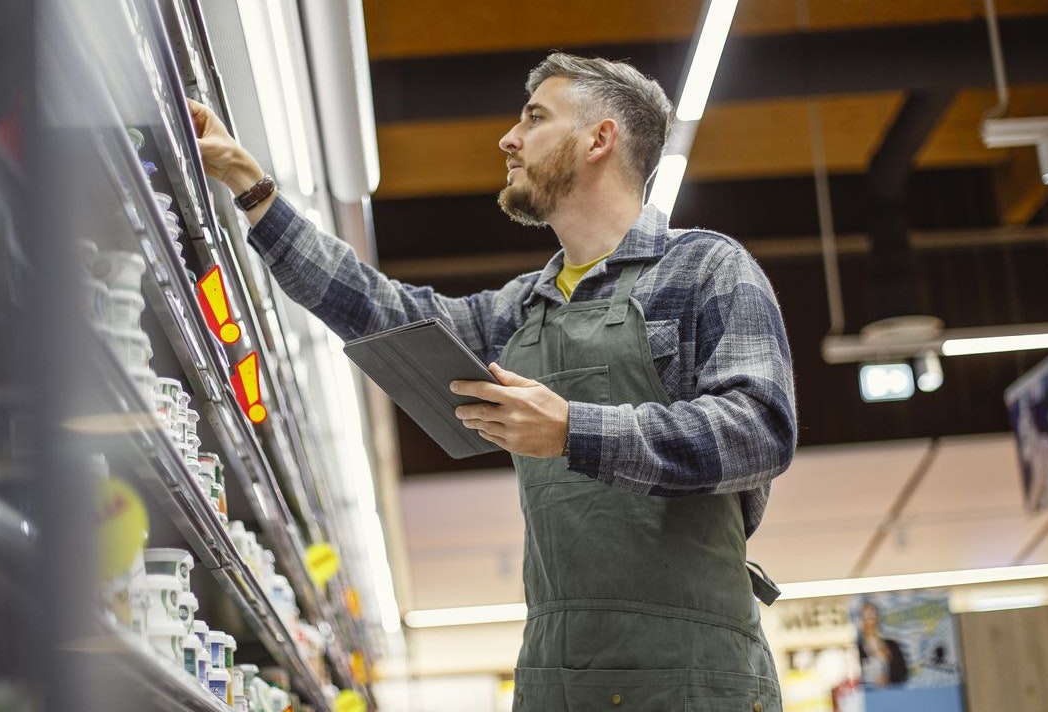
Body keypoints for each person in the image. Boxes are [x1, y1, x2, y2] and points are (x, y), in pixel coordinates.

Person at [189, 52, 796, 712]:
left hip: (696, 679)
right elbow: (378, 309)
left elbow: (760, 429)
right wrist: (248, 184)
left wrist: (573, 429)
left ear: (600, 138)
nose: (508, 138)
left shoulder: (703, 268)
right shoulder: (520, 308)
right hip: (556, 675)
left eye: (534, 117)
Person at [857, 600, 909, 687]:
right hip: (867, 695)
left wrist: (888, 678)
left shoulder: (891, 645)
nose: (870, 618)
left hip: (890, 693)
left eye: (873, 614)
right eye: (866, 615)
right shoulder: (856, 649)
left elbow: (902, 673)